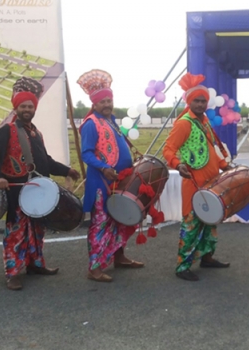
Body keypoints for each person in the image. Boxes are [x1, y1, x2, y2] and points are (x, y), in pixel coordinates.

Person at [0, 90, 80, 291]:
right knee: (16, 231)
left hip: (38, 190)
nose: (27, 109)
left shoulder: (37, 133)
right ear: (16, 108)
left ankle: (35, 264)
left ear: (34, 109)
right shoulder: (7, 130)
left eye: (30, 106)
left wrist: (67, 170)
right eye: (23, 106)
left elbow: (45, 161)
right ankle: (12, 273)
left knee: (37, 229)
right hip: (17, 190)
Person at [163, 72, 231, 282]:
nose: (201, 104)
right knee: (191, 224)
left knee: (210, 220)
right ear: (189, 101)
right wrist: (178, 164)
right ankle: (182, 267)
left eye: (203, 101)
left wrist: (224, 165)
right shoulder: (184, 123)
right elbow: (168, 149)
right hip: (193, 183)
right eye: (197, 101)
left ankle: (207, 257)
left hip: (211, 182)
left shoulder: (204, 122)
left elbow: (211, 149)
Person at [77, 69, 143, 283]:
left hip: (119, 179)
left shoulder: (112, 121)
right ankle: (94, 268)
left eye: (109, 101)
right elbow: (86, 153)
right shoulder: (90, 124)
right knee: (101, 223)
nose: (106, 105)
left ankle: (119, 257)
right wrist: (104, 167)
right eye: (102, 102)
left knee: (120, 219)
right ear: (94, 105)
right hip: (101, 182)